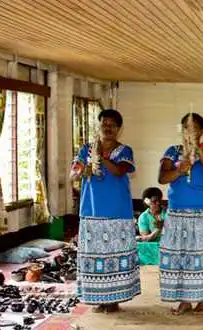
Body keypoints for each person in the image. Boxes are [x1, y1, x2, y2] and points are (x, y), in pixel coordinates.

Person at [70, 109, 140, 313]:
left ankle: (114, 299)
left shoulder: (125, 150)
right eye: (104, 123)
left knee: (114, 257)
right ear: (98, 126)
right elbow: (73, 174)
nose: (108, 128)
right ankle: (98, 298)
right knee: (95, 258)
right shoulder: (85, 149)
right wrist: (83, 170)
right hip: (92, 210)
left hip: (117, 212)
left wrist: (100, 157)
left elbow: (119, 171)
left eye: (112, 125)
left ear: (119, 129)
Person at [158, 113, 203, 315]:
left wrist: (198, 151)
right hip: (179, 214)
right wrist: (180, 169)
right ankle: (185, 299)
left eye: (194, 128)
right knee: (182, 257)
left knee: (202, 257)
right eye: (186, 128)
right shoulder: (172, 151)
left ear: (201, 131)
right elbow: (162, 177)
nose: (189, 132)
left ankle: (201, 298)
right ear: (181, 130)